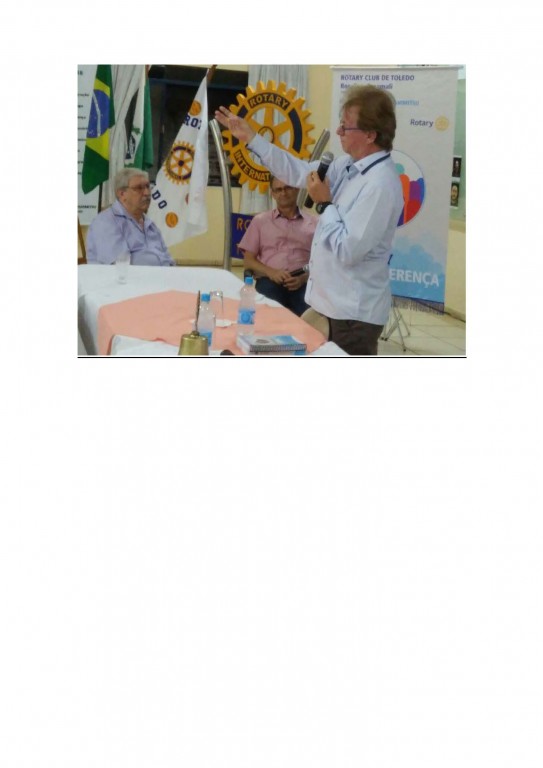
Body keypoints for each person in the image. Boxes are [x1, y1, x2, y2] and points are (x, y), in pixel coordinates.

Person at [215, 85, 404, 355]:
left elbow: (348, 250)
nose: (338, 131)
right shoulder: (347, 166)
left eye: (345, 127)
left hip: (353, 314)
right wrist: (252, 139)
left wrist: (325, 204)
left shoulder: (380, 185)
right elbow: (298, 171)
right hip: (328, 305)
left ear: (370, 134)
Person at [239, 175, 317, 316]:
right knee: (269, 314)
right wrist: (272, 272)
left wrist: (304, 278)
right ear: (272, 193)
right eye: (278, 190)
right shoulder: (260, 221)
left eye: (288, 188)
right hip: (269, 281)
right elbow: (248, 261)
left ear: (297, 189)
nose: (283, 193)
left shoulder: (314, 224)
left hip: (303, 283)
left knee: (310, 317)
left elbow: (323, 262)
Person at [86, 168, 175, 266]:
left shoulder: (150, 224)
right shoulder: (106, 222)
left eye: (148, 186)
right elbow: (119, 265)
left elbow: (168, 259)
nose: (147, 193)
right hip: (129, 276)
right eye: (139, 188)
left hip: (159, 274)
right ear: (122, 194)